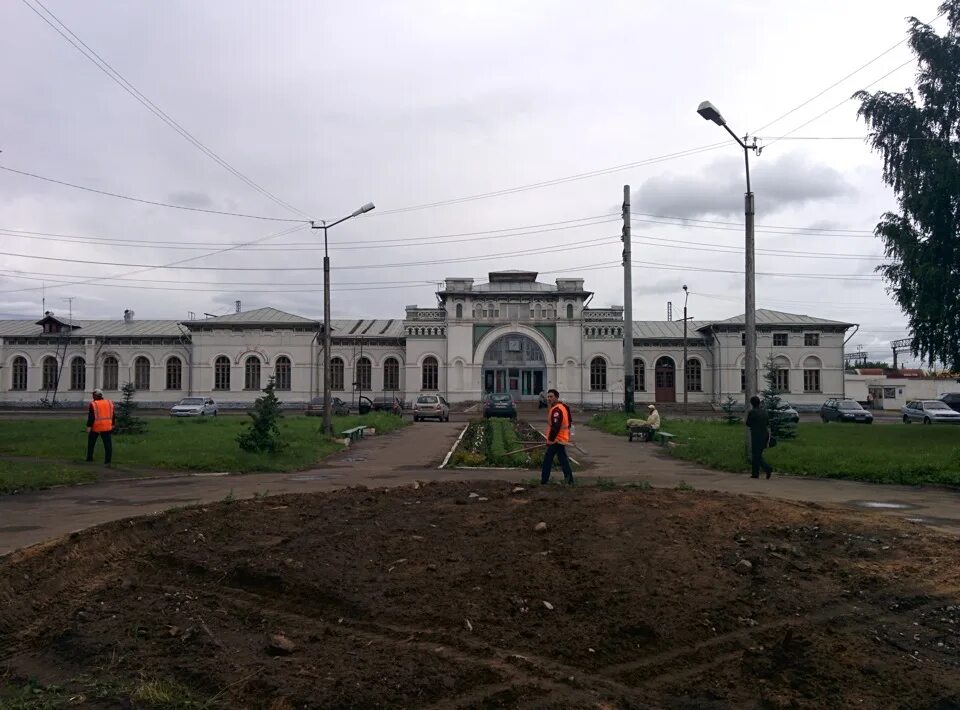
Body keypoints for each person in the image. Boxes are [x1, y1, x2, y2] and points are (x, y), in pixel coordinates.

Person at [541, 389, 574, 485]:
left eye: (551, 396)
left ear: (556, 397)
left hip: (556, 440)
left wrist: (550, 440)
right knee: (563, 460)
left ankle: (544, 481)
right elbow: (569, 421)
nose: (549, 399)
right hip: (560, 439)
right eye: (548, 396)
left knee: (547, 460)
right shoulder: (563, 407)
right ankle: (570, 481)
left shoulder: (557, 410)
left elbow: (555, 427)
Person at [745, 395, 773, 479]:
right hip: (764, 435)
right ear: (759, 403)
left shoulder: (752, 412)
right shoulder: (764, 412)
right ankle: (755, 473)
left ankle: (767, 468)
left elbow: (748, 423)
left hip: (756, 435)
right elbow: (767, 423)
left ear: (752, 403)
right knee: (758, 454)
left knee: (756, 455)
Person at [86, 388, 115, 465]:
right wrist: (113, 424)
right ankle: (108, 460)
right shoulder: (109, 403)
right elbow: (113, 415)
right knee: (108, 444)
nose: (92, 396)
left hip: (96, 427)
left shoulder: (94, 404)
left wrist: (89, 426)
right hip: (107, 427)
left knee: (91, 443)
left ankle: (89, 458)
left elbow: (91, 417)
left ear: (95, 395)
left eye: (93, 395)